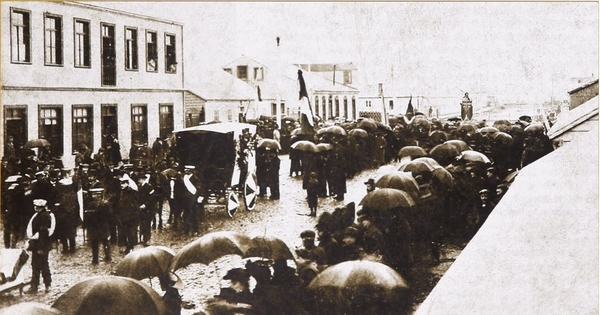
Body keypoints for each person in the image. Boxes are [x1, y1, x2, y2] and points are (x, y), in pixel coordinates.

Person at [25, 199, 56, 294]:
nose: (35, 208)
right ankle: (41, 285)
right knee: (40, 264)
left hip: (40, 245)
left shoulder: (43, 217)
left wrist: (41, 248)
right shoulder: (42, 215)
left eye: (36, 206)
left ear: (39, 207)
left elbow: (43, 233)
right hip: (39, 245)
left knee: (40, 265)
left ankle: (39, 286)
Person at [86, 188, 111, 264]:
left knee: (101, 242)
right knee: (102, 242)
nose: (95, 196)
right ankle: (104, 257)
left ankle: (97, 258)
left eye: (97, 195)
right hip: (99, 226)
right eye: (94, 195)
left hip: (97, 226)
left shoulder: (91, 204)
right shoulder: (104, 204)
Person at [180, 165, 205, 235]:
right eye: (185, 169)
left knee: (193, 214)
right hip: (185, 199)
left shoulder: (195, 179)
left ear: (191, 171)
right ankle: (185, 229)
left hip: (192, 199)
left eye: (187, 169)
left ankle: (195, 230)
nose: (185, 170)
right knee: (185, 214)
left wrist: (197, 197)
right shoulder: (183, 178)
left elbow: (199, 189)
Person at [117, 176, 139, 254]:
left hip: (130, 216)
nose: (121, 185)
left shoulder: (132, 192)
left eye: (123, 183)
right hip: (123, 216)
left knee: (130, 232)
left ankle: (130, 247)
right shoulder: (121, 192)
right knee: (124, 232)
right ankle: (127, 246)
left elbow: (134, 205)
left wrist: (132, 215)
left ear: (127, 183)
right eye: (121, 183)